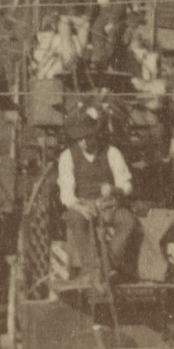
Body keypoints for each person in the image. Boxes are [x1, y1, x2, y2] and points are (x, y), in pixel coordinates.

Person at [57, 114, 138, 282]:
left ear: (95, 135)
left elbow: (127, 186)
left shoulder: (112, 153)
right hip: (84, 205)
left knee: (128, 221)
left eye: (88, 137)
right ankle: (91, 268)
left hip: (108, 205)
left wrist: (114, 189)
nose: (84, 143)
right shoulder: (67, 157)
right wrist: (79, 207)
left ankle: (107, 266)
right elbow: (66, 194)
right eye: (80, 139)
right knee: (75, 219)